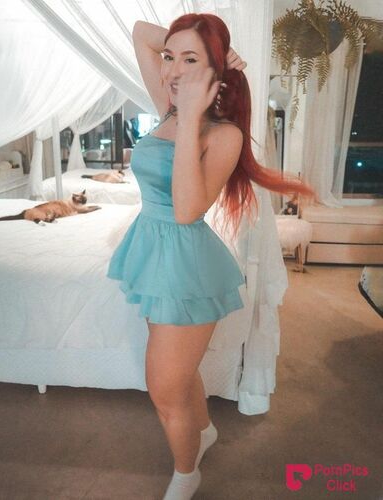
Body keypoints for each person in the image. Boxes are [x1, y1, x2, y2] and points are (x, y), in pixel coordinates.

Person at [107, 12, 315, 500]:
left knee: (165, 389)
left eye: (190, 61)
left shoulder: (222, 134)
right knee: (177, 376)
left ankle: (187, 474)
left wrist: (193, 108)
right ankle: (202, 433)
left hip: (185, 266)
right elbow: (140, 32)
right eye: (169, 58)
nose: (172, 71)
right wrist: (203, 54)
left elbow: (186, 211)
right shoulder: (170, 106)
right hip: (151, 253)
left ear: (215, 76)